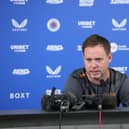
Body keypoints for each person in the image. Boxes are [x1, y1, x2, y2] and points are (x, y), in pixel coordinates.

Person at [64, 34, 129, 108]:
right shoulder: (76, 79)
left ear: (109, 57)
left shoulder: (121, 81)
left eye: (98, 60)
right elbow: (67, 115)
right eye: (88, 60)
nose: (93, 65)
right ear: (83, 59)